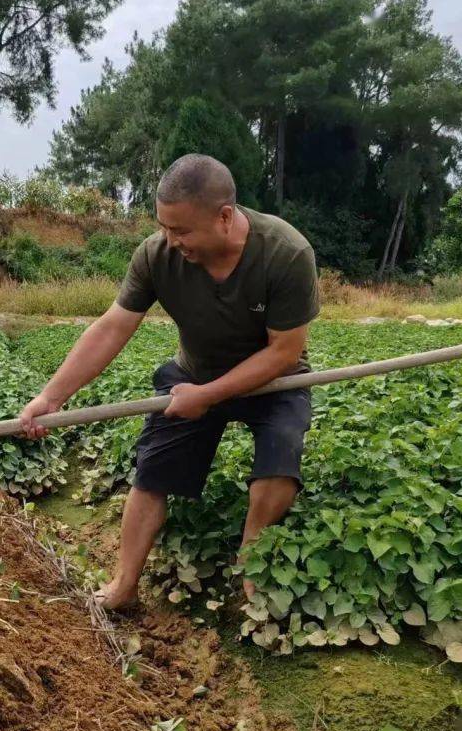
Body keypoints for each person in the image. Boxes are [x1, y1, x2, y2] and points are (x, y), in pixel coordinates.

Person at [19, 154, 320, 609]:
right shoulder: (156, 255)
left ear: (224, 217)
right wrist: (51, 397)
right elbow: (112, 327)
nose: (170, 239)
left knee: (280, 456)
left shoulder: (286, 253)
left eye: (181, 230)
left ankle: (251, 555)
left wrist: (211, 396)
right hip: (194, 375)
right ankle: (123, 586)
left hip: (272, 380)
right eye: (164, 226)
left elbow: (284, 351)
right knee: (152, 473)